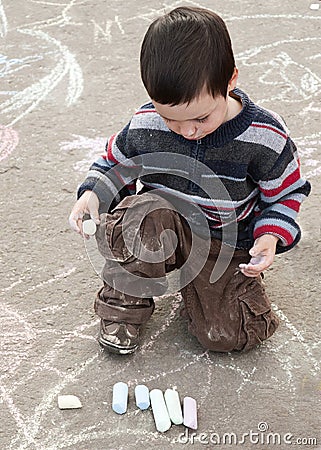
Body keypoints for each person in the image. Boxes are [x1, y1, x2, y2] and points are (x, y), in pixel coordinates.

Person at [69, 6, 311, 355]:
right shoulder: (146, 123)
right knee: (143, 213)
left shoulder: (265, 136)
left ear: (230, 81)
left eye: (201, 117)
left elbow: (285, 193)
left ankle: (207, 295)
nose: (188, 131)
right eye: (172, 120)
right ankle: (124, 306)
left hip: (223, 242)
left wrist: (269, 236)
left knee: (228, 335)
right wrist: (93, 194)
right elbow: (115, 163)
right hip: (160, 226)